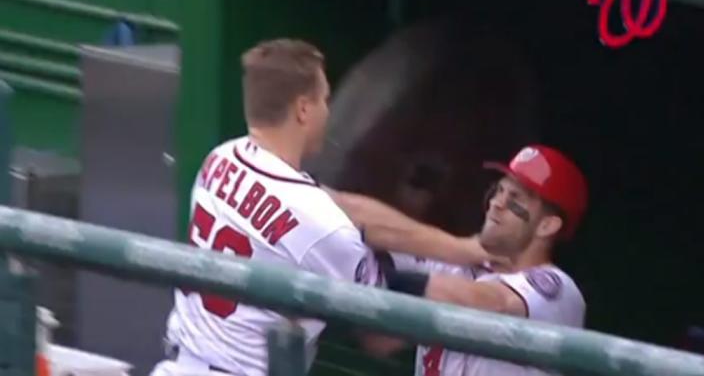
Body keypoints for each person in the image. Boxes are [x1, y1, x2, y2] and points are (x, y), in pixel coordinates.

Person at [150, 38, 504, 376]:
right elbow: (379, 332)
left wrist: (462, 249)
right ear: (303, 109)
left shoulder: (221, 159)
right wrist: (483, 293)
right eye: (324, 99)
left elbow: (346, 209)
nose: (327, 111)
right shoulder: (320, 225)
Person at [333, 144, 589, 376]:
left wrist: (390, 282)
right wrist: (458, 249)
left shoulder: (558, 290)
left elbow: (489, 302)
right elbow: (346, 212)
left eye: (515, 199)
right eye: (499, 191)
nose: (497, 203)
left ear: (546, 226)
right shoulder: (460, 267)